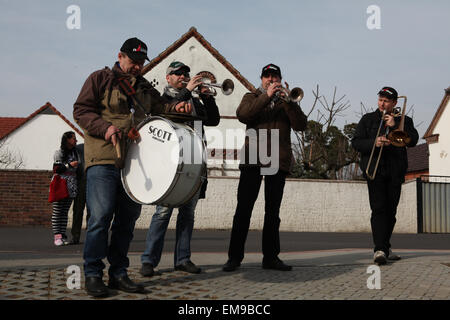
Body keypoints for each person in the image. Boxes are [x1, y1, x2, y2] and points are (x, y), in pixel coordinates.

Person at [73, 37, 191, 297]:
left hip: (134, 164)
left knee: (127, 221)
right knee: (101, 217)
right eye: (133, 61)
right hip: (103, 158)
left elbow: (162, 108)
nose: (137, 66)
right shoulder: (99, 78)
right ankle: (93, 274)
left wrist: (178, 107)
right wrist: (106, 128)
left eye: (141, 62)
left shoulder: (145, 87)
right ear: (120, 56)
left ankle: (118, 273)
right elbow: (81, 110)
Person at [222, 64, 307, 272]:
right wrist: (266, 97)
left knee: (272, 212)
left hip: (277, 162)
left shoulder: (287, 101)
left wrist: (290, 103)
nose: (271, 79)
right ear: (261, 79)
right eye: (267, 76)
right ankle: (234, 258)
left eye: (274, 76)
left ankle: (271, 258)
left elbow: (301, 126)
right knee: (243, 210)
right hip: (253, 160)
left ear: (280, 78)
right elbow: (243, 115)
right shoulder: (251, 97)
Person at [140, 61, 220, 276]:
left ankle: (182, 259)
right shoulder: (162, 99)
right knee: (163, 212)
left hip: (193, 159)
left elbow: (213, 120)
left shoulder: (194, 100)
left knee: (188, 213)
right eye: (177, 74)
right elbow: (164, 116)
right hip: (169, 161)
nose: (183, 76)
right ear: (168, 77)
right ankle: (149, 260)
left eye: (185, 73)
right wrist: (187, 91)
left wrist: (207, 97)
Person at [351, 87, 418, 265]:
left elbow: (413, 141)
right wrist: (375, 141)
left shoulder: (404, 120)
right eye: (380, 99)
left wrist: (394, 126)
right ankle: (379, 249)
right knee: (379, 209)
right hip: (375, 170)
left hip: (395, 170)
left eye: (387, 101)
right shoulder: (368, 119)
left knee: (391, 211)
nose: (382, 103)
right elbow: (356, 142)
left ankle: (385, 247)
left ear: (395, 103)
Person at [51, 131, 80, 246]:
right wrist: (69, 165)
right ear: (67, 139)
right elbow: (56, 169)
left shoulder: (75, 153)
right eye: (73, 138)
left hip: (71, 184)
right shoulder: (59, 153)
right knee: (57, 211)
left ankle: (62, 235)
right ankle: (57, 236)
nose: (76, 141)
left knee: (64, 212)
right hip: (61, 183)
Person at [70, 143, 88, 245]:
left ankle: (89, 236)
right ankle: (75, 236)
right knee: (77, 210)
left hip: (90, 181)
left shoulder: (80, 148)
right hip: (81, 181)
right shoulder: (78, 148)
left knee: (91, 211)